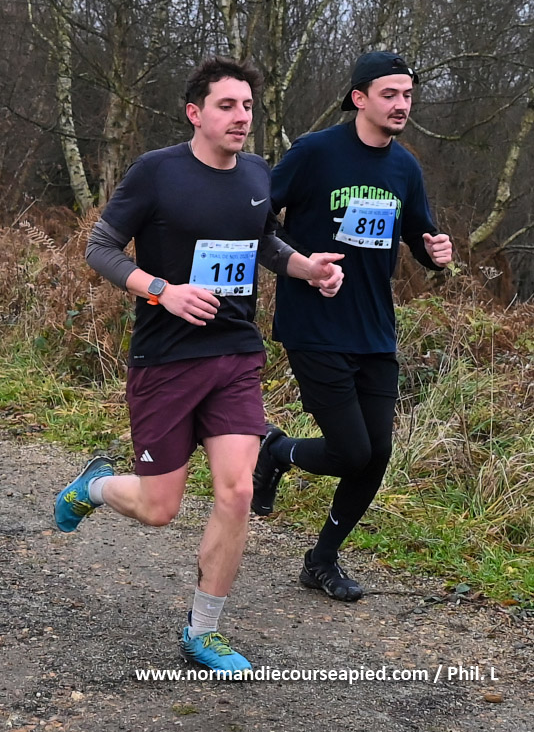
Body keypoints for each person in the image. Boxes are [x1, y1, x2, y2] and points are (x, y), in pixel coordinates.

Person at [54, 56, 344, 675]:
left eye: (247, 107)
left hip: (235, 353)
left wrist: (307, 268)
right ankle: (94, 487)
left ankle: (202, 632)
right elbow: (100, 247)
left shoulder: (258, 173)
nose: (241, 117)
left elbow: (263, 241)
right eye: (227, 106)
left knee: (237, 491)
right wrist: (162, 291)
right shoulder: (157, 172)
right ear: (195, 113)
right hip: (165, 358)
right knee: (159, 509)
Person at [251, 50, 452, 602]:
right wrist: (300, 265)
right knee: (349, 450)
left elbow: (421, 237)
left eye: (407, 95)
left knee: (376, 452)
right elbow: (258, 218)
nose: (401, 104)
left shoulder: (405, 168)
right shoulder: (315, 152)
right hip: (314, 323)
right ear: (359, 98)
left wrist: (437, 253)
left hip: (375, 329)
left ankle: (321, 560)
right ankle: (276, 451)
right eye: (390, 94)